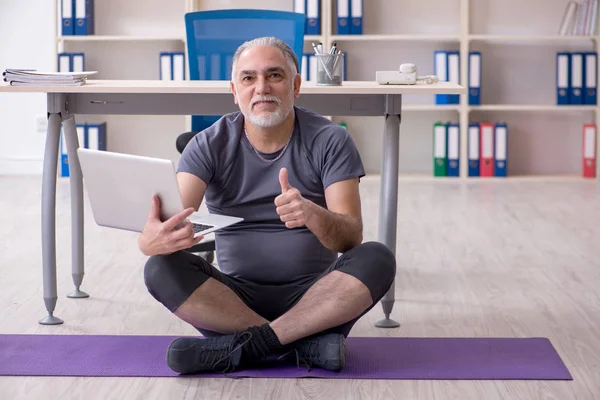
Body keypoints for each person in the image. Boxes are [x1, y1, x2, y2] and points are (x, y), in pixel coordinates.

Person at [140, 36, 396, 374]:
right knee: (160, 267)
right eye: (249, 78)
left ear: (296, 85)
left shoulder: (330, 139)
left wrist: (312, 214)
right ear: (235, 90)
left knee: (377, 257)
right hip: (232, 302)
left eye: (274, 76)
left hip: (317, 300)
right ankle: (303, 347)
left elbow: (350, 239)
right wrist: (150, 242)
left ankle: (244, 348)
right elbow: (169, 226)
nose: (262, 88)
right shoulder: (207, 144)